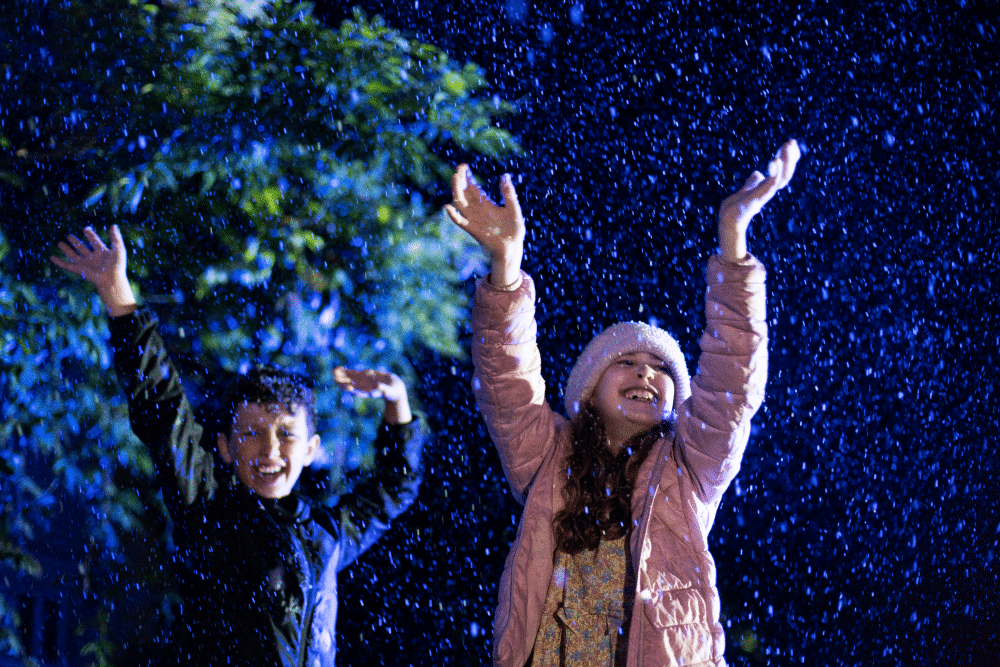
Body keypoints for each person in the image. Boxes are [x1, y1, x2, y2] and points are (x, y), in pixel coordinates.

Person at [445, 140, 800, 666]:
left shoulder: (690, 471)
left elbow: (732, 385)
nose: (645, 373)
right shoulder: (547, 458)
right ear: (587, 391)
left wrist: (733, 243)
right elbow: (507, 380)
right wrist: (506, 266)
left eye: (661, 370)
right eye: (626, 362)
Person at [50, 226, 425, 666]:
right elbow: (164, 411)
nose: (269, 450)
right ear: (225, 448)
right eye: (251, 433)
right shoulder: (209, 508)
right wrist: (119, 297)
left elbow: (395, 489)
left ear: (310, 449)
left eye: (286, 434)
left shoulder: (327, 535)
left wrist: (398, 403)